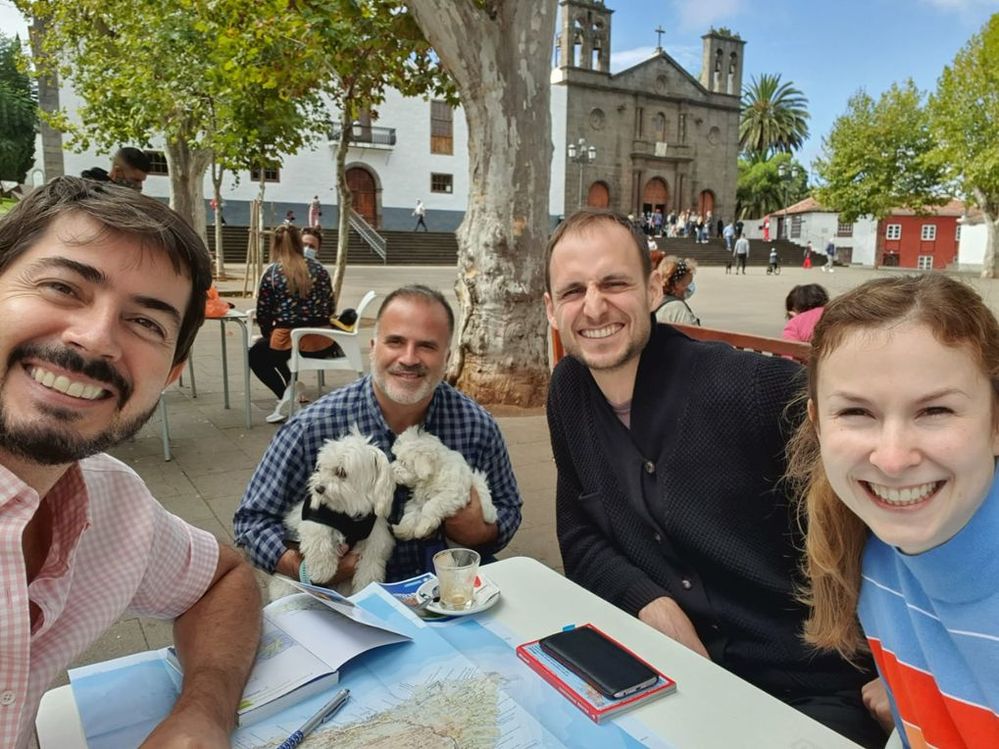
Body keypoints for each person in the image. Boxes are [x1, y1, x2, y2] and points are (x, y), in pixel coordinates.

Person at [543, 208, 885, 748]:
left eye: (614, 283)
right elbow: (580, 534)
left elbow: (898, 490)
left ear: (655, 288)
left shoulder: (749, 387)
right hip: (665, 679)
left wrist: (913, 661)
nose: (594, 306)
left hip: (807, 687)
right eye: (572, 291)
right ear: (550, 309)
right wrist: (647, 600)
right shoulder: (568, 391)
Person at [0, 177, 260, 748]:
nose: (95, 339)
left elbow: (224, 579)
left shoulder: (112, 504)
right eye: (62, 287)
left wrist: (204, 710)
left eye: (146, 322)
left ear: (169, 376)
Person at [787, 274, 999, 746]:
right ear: (818, 424)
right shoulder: (870, 549)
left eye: (935, 411)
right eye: (857, 413)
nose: (893, 458)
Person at [234, 285, 523, 588]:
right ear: (373, 347)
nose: (409, 358)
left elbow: (508, 508)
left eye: (427, 346)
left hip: (445, 592)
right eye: (395, 341)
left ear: (448, 357)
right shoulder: (311, 427)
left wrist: (482, 533)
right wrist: (303, 569)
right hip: (341, 602)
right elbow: (251, 521)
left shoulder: (477, 426)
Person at [249, 224, 338, 424]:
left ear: (275, 245)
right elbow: (330, 307)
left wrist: (268, 333)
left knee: (258, 353)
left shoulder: (272, 273)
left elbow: (263, 313)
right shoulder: (320, 270)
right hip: (322, 342)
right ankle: (291, 388)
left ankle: (286, 396)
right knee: (275, 346)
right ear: (300, 243)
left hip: (287, 341)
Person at [654, 255, 700, 326]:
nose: (690, 286)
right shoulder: (678, 308)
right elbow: (693, 334)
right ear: (677, 284)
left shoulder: (655, 301)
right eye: (688, 282)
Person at [80, 147, 151, 191]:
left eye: (141, 181)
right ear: (118, 171)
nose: (139, 186)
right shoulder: (85, 194)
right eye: (135, 180)